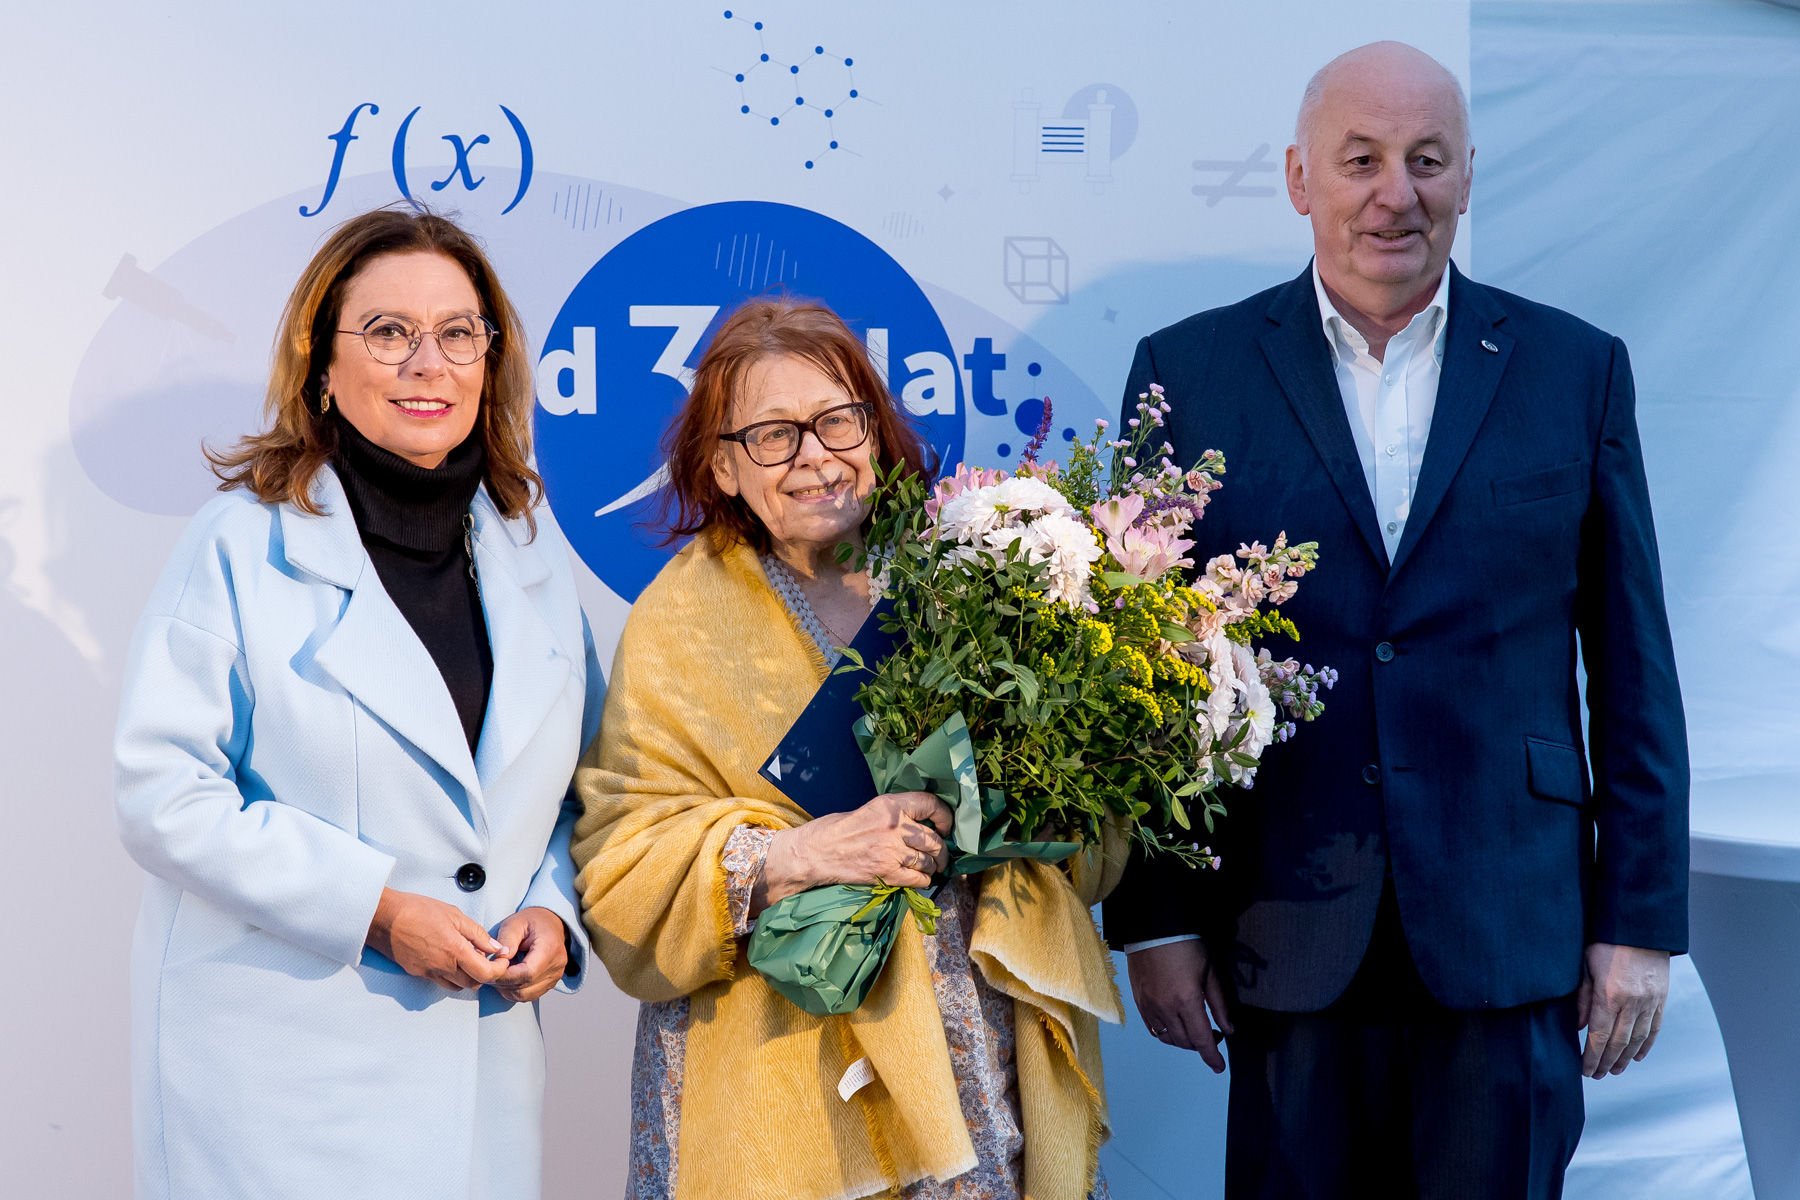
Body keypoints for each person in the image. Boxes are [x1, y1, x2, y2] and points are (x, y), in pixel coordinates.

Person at [1102, 41, 1688, 1198]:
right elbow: (1144, 676)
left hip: (1509, 929)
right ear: (1299, 177)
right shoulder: (1190, 372)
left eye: (1426, 160)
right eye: (1360, 159)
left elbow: (1634, 668)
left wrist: (1640, 920)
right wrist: (1156, 921)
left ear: (1468, 175)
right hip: (1285, 923)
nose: (1395, 194)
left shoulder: (1575, 369)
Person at [571, 296, 1124, 1200]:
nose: (815, 455)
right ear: (723, 465)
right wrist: (804, 854)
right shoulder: (680, 622)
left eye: (837, 419)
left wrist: (1046, 786)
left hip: (985, 1053)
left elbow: (1090, 843)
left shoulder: (968, 575)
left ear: (875, 428)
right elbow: (621, 869)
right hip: (780, 1067)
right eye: (773, 435)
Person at [115, 207, 603, 1200]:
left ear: (491, 361)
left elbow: (587, 787)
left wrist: (555, 911)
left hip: (479, 1075)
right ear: (322, 367)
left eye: (458, 333)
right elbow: (163, 795)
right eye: (388, 333)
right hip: (277, 1085)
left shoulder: (531, 548)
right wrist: (375, 911)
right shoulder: (241, 544)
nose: (429, 364)